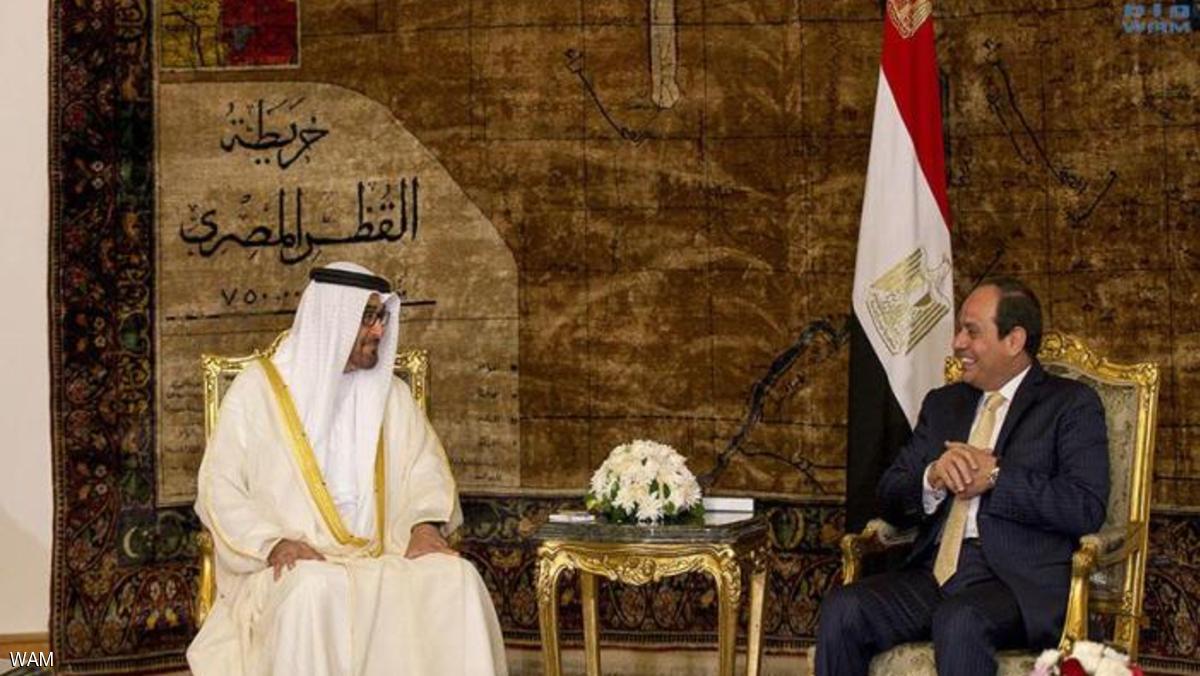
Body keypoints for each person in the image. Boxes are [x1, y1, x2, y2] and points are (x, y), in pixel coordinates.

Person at [187, 262, 508, 676]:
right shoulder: (257, 390)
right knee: (311, 591)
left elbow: (425, 469)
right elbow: (220, 487)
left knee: (457, 578)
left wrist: (424, 526)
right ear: (331, 320)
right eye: (367, 318)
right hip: (292, 564)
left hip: (383, 554)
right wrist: (273, 544)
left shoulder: (390, 394)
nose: (379, 331)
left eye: (382, 317)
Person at [816, 277, 1109, 675]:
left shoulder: (1070, 405)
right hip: (934, 575)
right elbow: (888, 494)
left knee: (960, 620)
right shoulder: (944, 404)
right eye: (959, 330)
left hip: (1016, 583)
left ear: (1014, 340)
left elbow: (1084, 506)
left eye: (972, 332)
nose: (957, 343)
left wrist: (998, 476)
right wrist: (932, 478)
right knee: (844, 607)